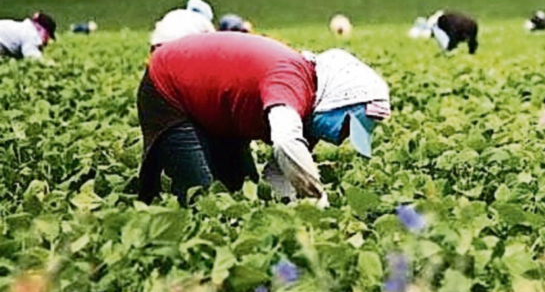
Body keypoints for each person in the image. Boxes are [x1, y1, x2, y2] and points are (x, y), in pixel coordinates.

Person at [137, 33, 391, 206]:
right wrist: (317, 198)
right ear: (339, 101)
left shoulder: (310, 116)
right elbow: (284, 142)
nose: (340, 139)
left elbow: (277, 175)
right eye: (346, 127)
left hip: (217, 114)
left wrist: (288, 210)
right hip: (169, 88)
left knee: (242, 188)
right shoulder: (292, 80)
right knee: (200, 196)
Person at [150, 0, 215, 48]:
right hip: (179, 48)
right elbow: (214, 42)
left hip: (157, 45)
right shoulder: (203, 20)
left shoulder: (175, 13)